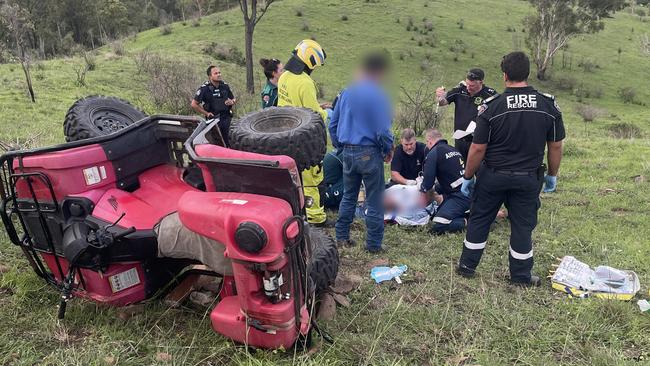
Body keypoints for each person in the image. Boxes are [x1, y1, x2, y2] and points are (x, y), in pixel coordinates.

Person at [457, 52, 565, 287]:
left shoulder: (492, 106)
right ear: (527, 73)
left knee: (480, 220)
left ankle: (467, 267)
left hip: (492, 176)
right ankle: (521, 277)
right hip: (528, 179)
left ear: (504, 75)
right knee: (522, 226)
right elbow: (555, 145)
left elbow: (477, 148)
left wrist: (468, 176)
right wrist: (552, 175)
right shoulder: (548, 105)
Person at [329, 51, 393, 253]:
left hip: (348, 151)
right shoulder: (378, 94)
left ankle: (341, 237)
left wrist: (341, 146)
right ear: (379, 71)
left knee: (349, 195)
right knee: (374, 199)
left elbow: (333, 124)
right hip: (369, 152)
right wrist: (387, 148)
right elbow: (382, 130)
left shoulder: (346, 92)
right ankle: (373, 245)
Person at [277, 39, 333, 227]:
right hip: (305, 138)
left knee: (293, 178)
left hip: (285, 133)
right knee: (312, 179)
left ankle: (296, 211)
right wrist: (329, 113)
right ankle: (316, 218)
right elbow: (314, 115)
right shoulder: (306, 82)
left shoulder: (284, 77)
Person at [435, 68, 497, 161]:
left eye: (471, 85)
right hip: (460, 141)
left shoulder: (490, 95)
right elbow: (442, 103)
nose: (468, 87)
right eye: (467, 84)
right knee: (460, 170)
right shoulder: (459, 90)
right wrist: (440, 96)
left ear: (480, 82)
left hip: (479, 142)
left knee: (479, 171)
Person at [419, 129, 470, 234]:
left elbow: (427, 184)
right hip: (470, 191)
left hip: (459, 196)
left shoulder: (433, 153)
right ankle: (471, 212)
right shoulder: (453, 149)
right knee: (439, 205)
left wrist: (421, 189)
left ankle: (470, 222)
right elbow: (452, 177)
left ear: (429, 141)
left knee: (437, 225)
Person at [191, 65, 237, 146]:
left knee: (230, 142)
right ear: (210, 76)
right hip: (214, 120)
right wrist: (206, 113)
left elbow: (233, 99)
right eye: (216, 73)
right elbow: (194, 104)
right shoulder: (204, 89)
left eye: (219, 73)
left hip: (227, 118)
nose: (219, 75)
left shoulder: (225, 86)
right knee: (217, 144)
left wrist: (232, 102)